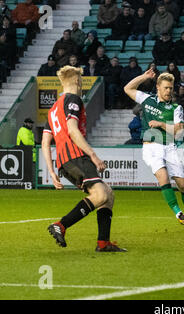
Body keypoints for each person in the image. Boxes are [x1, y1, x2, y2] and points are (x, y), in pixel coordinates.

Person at [42, 65, 126, 252]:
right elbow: (72, 130)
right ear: (78, 82)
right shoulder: (74, 99)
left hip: (65, 161)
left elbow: (45, 142)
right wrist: (93, 155)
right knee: (101, 195)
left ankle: (103, 243)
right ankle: (61, 225)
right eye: (82, 81)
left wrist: (51, 171)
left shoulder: (53, 108)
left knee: (108, 193)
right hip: (76, 156)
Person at [124, 69, 184, 228]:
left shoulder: (176, 108)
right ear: (158, 88)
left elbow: (179, 130)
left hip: (169, 147)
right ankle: (178, 212)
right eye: (166, 88)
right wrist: (144, 77)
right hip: (150, 147)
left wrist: (161, 124)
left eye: (171, 88)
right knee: (163, 177)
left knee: (183, 186)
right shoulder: (147, 99)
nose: (169, 91)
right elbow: (127, 89)